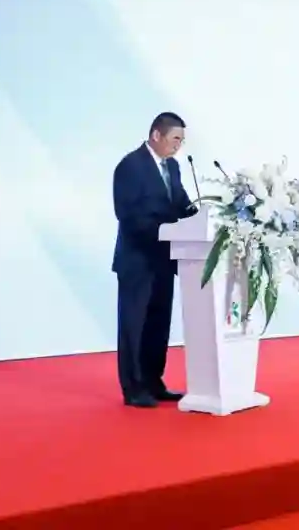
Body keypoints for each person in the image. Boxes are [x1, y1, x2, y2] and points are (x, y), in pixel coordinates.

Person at [112, 112, 198, 408]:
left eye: (181, 141)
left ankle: (153, 381)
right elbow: (126, 214)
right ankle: (133, 388)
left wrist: (203, 217)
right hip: (137, 260)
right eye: (175, 139)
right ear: (156, 135)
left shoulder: (172, 166)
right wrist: (162, 229)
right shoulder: (130, 166)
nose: (178, 146)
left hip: (164, 259)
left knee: (158, 325)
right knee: (134, 325)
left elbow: (181, 203)